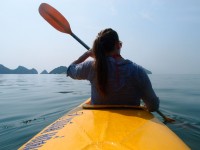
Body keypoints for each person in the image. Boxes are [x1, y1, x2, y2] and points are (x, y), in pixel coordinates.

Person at [67, 28, 159, 112]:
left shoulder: (91, 66)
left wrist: (86, 54)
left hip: (100, 125)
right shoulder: (138, 71)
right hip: (129, 126)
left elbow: (70, 70)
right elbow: (153, 106)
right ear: (118, 45)